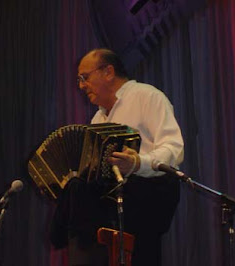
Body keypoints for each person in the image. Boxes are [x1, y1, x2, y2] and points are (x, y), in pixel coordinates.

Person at [50, 48, 184, 266]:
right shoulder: (97, 119)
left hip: (147, 198)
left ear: (108, 72)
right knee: (76, 190)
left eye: (84, 78)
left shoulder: (147, 96)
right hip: (109, 205)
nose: (81, 86)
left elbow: (174, 148)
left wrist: (138, 163)